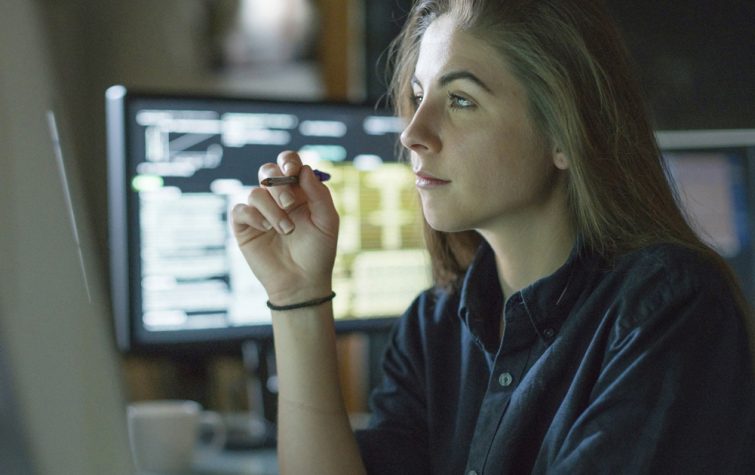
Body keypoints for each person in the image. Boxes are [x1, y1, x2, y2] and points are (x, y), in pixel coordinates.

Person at [231, 0, 755, 473]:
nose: (413, 132)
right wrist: (298, 297)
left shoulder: (669, 308)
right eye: (418, 95)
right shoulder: (430, 328)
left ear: (564, 135)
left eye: (461, 100)